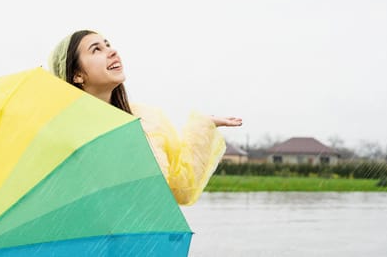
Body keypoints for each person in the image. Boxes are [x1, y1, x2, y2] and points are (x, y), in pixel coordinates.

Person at [48, 29, 242, 205]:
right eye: (96, 50)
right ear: (77, 75)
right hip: (94, 237)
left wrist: (204, 127)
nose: (112, 51)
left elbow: (180, 189)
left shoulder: (147, 121)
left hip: (140, 237)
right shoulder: (62, 134)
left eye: (107, 44)